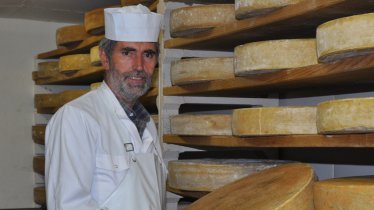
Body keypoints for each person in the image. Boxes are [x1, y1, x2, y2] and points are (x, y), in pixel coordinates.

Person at [45, 5, 166, 210]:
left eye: (148, 54)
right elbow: (69, 205)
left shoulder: (147, 126)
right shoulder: (77, 118)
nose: (139, 66)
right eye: (127, 52)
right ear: (105, 58)